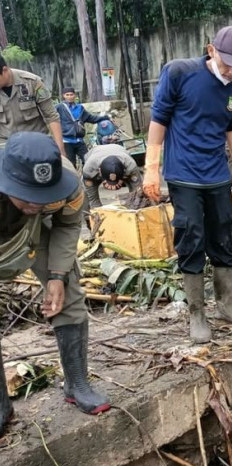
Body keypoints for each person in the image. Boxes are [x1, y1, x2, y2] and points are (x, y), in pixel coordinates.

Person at [143, 25, 232, 343]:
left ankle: (227, 305)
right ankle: (197, 314)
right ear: (211, 51)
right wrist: (151, 169)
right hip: (183, 175)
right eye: (228, 62)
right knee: (191, 237)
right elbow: (158, 119)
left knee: (226, 233)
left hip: (218, 175)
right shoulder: (179, 73)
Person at [0, 132, 111, 435]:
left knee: (70, 295)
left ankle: (77, 383)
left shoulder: (69, 183)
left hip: (37, 232)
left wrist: (57, 277)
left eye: (43, 197)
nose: (37, 203)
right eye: (28, 196)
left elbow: (67, 224)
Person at [0, 56, 65, 156]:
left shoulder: (33, 82)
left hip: (36, 145)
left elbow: (51, 116)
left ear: (4, 70)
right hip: (6, 148)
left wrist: (60, 151)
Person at [56, 86, 111, 167]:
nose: (69, 97)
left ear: (74, 95)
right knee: (71, 165)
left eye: (71, 95)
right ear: (63, 96)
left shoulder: (80, 108)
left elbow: (91, 118)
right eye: (67, 95)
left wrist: (106, 117)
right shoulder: (59, 107)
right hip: (67, 141)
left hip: (79, 140)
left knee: (88, 161)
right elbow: (50, 117)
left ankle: (87, 178)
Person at [81, 144, 143, 209]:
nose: (113, 188)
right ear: (100, 171)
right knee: (85, 193)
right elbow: (92, 197)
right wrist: (97, 212)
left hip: (119, 150)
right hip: (95, 154)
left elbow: (137, 189)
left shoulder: (130, 166)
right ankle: (86, 216)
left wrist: (136, 207)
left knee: (138, 194)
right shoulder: (89, 168)